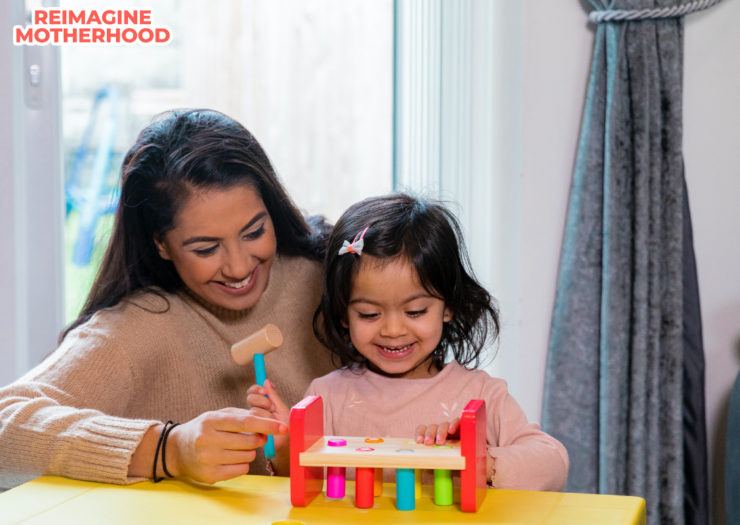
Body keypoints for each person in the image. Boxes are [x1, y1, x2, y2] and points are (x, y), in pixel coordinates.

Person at [0, 109, 336, 489]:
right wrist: (168, 448)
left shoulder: (334, 278)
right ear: (161, 244)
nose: (239, 266)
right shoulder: (139, 326)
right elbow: (4, 428)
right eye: (206, 249)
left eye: (254, 231)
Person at [248, 194, 569, 490]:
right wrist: (287, 440)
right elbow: (303, 484)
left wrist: (483, 461)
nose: (392, 329)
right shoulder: (327, 396)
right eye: (369, 314)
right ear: (344, 315)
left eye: (415, 311)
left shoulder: (482, 396)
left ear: (449, 306)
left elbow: (553, 463)